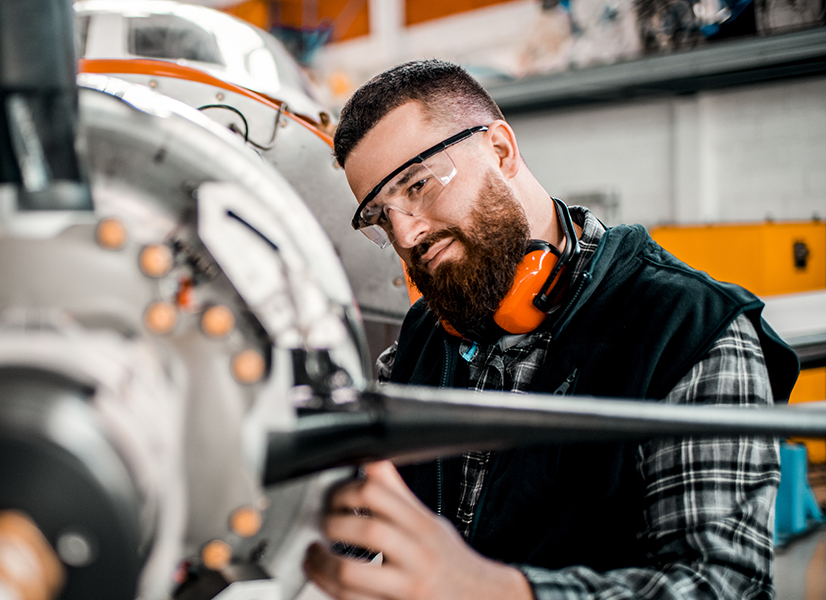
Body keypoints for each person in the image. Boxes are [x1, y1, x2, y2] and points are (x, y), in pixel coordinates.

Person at [302, 59, 800, 599]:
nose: (406, 233)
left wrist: (495, 591)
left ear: (500, 150)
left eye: (418, 185)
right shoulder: (423, 340)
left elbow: (721, 586)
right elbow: (341, 514)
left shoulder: (690, 330)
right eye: (380, 216)